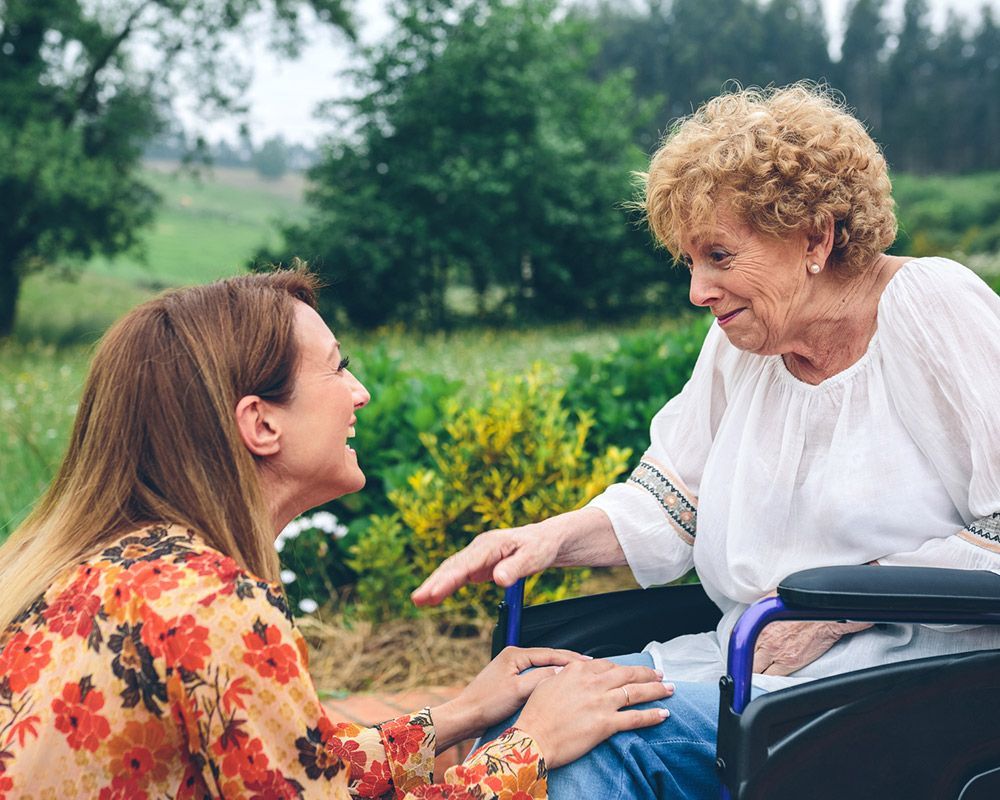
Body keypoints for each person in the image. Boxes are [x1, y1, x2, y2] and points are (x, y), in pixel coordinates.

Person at [412, 82, 1000, 798]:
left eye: (719, 256)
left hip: (904, 680)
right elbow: (673, 503)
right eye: (689, 261)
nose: (698, 290)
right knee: (530, 727)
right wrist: (548, 539)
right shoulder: (743, 343)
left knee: (597, 747)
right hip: (752, 662)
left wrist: (831, 613)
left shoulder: (931, 307)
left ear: (815, 238)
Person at [0, 271, 670, 798]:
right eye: (336, 367)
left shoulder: (96, 568)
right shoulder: (214, 610)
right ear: (261, 424)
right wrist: (529, 745)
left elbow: (290, 770)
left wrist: (462, 713)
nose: (361, 393)